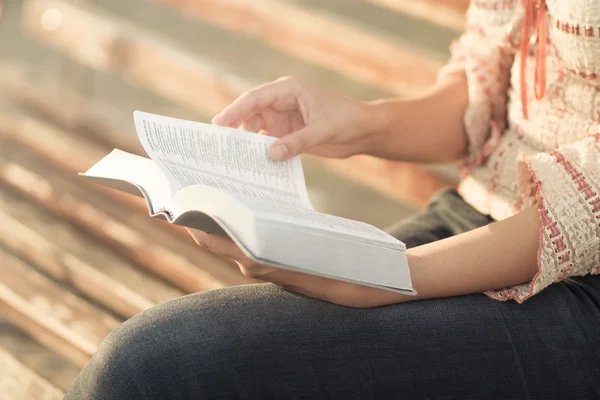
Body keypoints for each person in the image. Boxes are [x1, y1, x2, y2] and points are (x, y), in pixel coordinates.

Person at [66, 0, 600, 398]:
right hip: (477, 216)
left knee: (151, 367)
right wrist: (363, 125)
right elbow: (492, 86)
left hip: (581, 284)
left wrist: (389, 277)